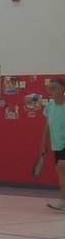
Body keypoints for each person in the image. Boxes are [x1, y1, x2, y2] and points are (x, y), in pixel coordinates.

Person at [42, 77, 65, 211]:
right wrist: (43, 145)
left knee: (61, 167)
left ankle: (62, 200)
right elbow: (47, 127)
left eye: (53, 88)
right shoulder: (50, 105)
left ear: (62, 89)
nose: (49, 90)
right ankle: (63, 200)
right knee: (61, 172)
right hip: (57, 144)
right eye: (48, 88)